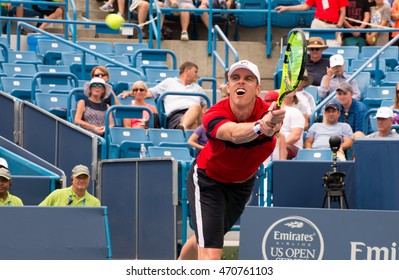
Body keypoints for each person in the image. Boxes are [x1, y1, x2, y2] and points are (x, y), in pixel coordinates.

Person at [178, 60, 285, 260]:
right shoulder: (213, 114)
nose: (240, 82)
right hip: (208, 180)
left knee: (204, 238)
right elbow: (234, 134)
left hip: (241, 186)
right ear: (228, 87)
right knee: (211, 253)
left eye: (248, 78)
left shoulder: (267, 112)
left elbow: (275, 127)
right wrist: (260, 126)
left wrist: (272, 123)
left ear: (258, 88)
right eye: (235, 78)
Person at [120, 61, 207, 131]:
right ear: (187, 70)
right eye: (195, 71)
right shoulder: (169, 82)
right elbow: (150, 92)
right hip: (176, 116)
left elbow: (205, 103)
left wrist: (201, 112)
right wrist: (130, 93)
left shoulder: (198, 88)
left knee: (196, 112)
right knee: (195, 113)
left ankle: (182, 128)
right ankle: (188, 144)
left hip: (195, 114)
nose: (197, 75)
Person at [275, 0, 348, 46]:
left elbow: (343, 12)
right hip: (318, 24)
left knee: (334, 50)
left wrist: (338, 28)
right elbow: (305, 6)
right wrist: (286, 8)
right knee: (315, 48)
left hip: (333, 26)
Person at [99, 0, 165, 39]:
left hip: (152, 2)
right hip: (138, 2)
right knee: (145, 5)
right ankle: (141, 30)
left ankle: (158, 30)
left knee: (161, 5)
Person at [280, 91, 306, 158]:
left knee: (283, 149)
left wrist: (279, 146)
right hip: (275, 145)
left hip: (292, 147)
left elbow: (295, 136)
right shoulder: (266, 114)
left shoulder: (294, 112)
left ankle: (280, 168)